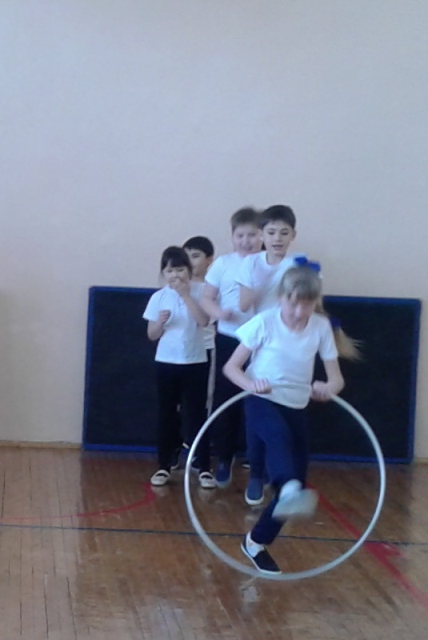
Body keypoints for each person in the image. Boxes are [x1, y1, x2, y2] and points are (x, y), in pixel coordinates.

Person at [222, 265, 350, 575]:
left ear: (315, 302)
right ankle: (287, 485)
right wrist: (251, 384)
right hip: (261, 400)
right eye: (292, 303)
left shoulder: (320, 327)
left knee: (295, 487)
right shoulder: (264, 322)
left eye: (306, 305)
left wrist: (327, 389)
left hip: (296, 405)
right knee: (278, 439)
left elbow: (336, 379)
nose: (298, 311)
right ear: (281, 298)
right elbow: (231, 368)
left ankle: (255, 542)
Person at [199, 207, 264, 487]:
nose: (246, 241)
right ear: (232, 237)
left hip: (263, 342)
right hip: (229, 337)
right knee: (226, 398)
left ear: (262, 236)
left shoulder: (268, 263)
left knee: (260, 397)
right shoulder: (223, 264)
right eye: (240, 235)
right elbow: (206, 298)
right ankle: (224, 458)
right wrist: (219, 313)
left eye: (252, 235)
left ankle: (257, 460)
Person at [143, 247, 213, 488]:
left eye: (180, 269)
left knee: (197, 414)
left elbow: (204, 320)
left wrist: (185, 295)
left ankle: (204, 467)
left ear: (189, 271)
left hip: (196, 361)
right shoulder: (159, 297)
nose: (175, 275)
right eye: (170, 270)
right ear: (163, 273)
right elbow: (151, 335)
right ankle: (164, 465)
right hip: (166, 362)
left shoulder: (201, 291)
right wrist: (160, 323)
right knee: (166, 414)